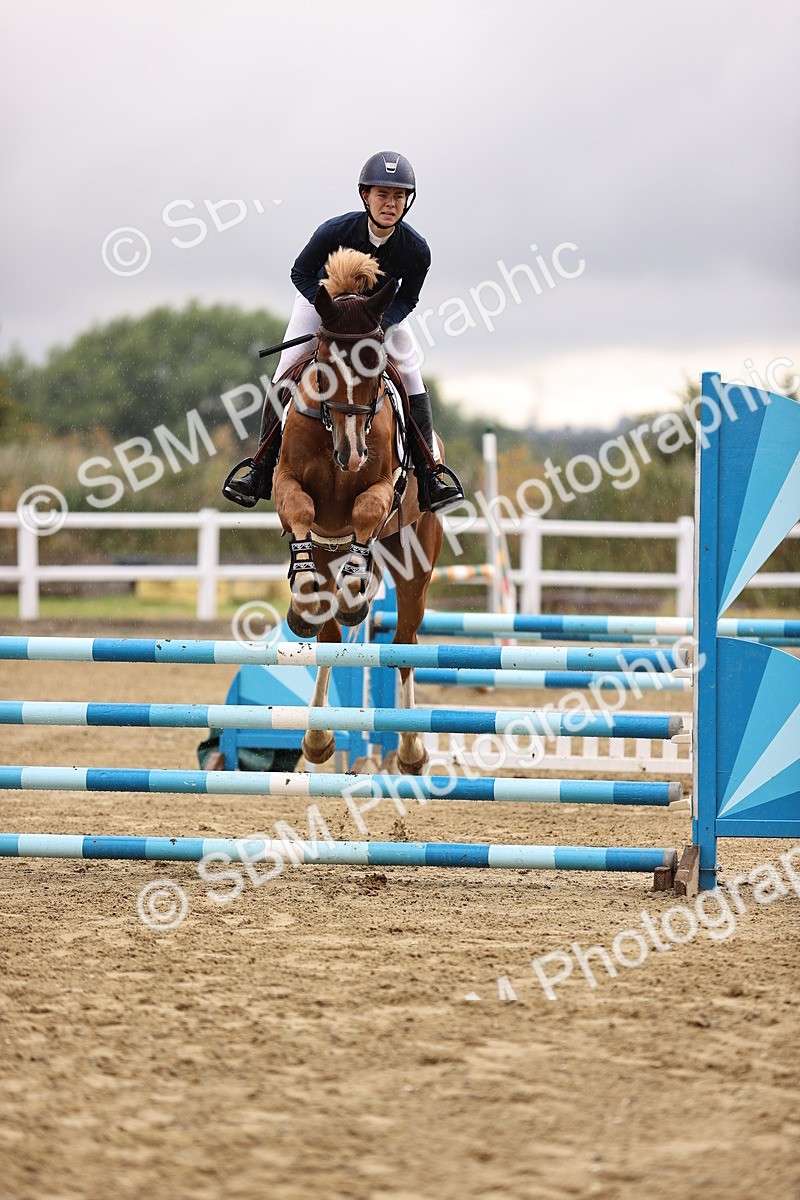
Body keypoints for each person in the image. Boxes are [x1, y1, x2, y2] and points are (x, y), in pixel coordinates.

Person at [223, 151, 464, 513]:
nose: (391, 203)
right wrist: (332, 314)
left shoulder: (415, 249)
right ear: (365, 196)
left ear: (407, 202)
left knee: (411, 374)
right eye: (383, 195)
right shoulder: (335, 231)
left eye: (399, 196)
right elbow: (300, 273)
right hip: (325, 303)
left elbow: (409, 297)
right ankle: (259, 468)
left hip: (377, 316)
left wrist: (376, 324)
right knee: (285, 370)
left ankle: (430, 473)